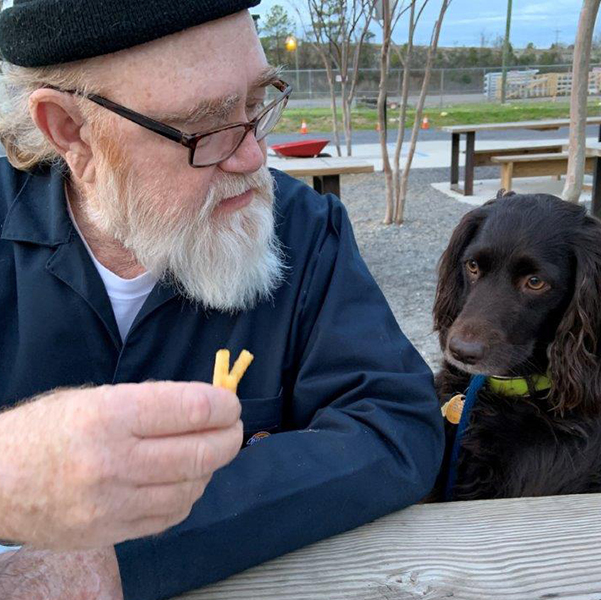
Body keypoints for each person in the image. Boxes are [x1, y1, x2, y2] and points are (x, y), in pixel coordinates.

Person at [0, 1, 444, 599]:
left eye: (257, 105)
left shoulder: (304, 230)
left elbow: (397, 424)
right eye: (206, 128)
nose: (254, 156)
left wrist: (123, 557)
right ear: (69, 129)